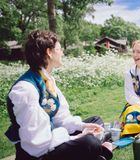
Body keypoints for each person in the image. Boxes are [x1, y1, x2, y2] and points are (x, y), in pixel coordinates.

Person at [5, 30, 112, 160]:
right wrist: (77, 137)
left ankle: (96, 151)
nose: (62, 53)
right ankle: (98, 150)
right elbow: (37, 144)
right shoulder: (25, 90)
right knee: (90, 143)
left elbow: (61, 118)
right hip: (37, 154)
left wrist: (83, 127)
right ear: (49, 52)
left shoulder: (47, 79)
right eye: (59, 49)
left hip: (50, 137)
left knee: (96, 121)